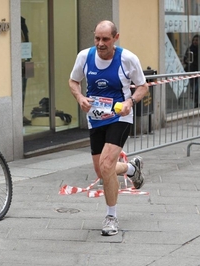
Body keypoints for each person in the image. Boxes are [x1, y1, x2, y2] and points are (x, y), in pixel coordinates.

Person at [69, 20, 148, 236]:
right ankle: (131, 169)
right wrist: (80, 98)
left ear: (115, 37)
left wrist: (130, 102)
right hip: (96, 119)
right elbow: (73, 81)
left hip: (119, 118)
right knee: (102, 171)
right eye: (97, 38)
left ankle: (111, 217)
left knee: (106, 165)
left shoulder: (127, 59)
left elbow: (143, 86)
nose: (100, 43)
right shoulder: (84, 57)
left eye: (105, 39)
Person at [183, 35, 200, 107]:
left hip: (199, 71)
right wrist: (187, 61)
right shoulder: (190, 49)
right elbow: (185, 59)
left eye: (197, 40)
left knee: (196, 87)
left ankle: (197, 100)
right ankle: (195, 100)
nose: (195, 42)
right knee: (194, 87)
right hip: (192, 71)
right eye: (194, 40)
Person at [21, 16, 31, 126]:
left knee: (23, 90)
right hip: (21, 64)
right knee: (21, 91)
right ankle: (21, 114)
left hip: (25, 63)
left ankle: (21, 113)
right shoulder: (21, 25)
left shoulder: (23, 25)